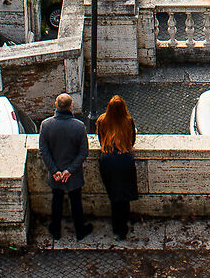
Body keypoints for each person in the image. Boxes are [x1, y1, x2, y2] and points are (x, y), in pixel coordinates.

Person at [41, 93, 92, 241]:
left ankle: (56, 231)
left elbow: (44, 151)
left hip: (55, 172)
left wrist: (55, 171)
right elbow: (83, 152)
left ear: (56, 105)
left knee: (56, 201)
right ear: (71, 107)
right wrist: (69, 171)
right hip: (73, 173)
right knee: (76, 202)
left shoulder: (46, 125)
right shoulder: (79, 126)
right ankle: (80, 231)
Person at [96, 95, 139, 239]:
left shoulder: (102, 120)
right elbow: (131, 142)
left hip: (107, 160)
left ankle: (116, 227)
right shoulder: (128, 121)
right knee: (124, 195)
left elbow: (100, 140)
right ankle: (124, 227)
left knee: (114, 196)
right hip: (124, 160)